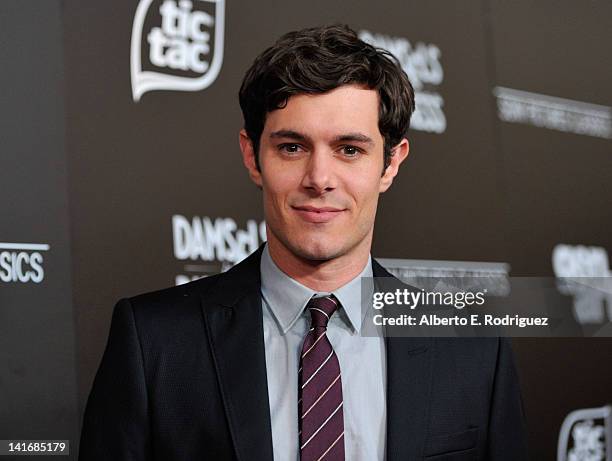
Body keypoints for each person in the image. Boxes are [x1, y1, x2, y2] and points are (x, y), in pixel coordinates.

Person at [79, 24, 527, 461]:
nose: (319, 179)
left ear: (390, 164)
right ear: (252, 156)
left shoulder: (473, 345)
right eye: (292, 147)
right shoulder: (154, 342)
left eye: (349, 149)